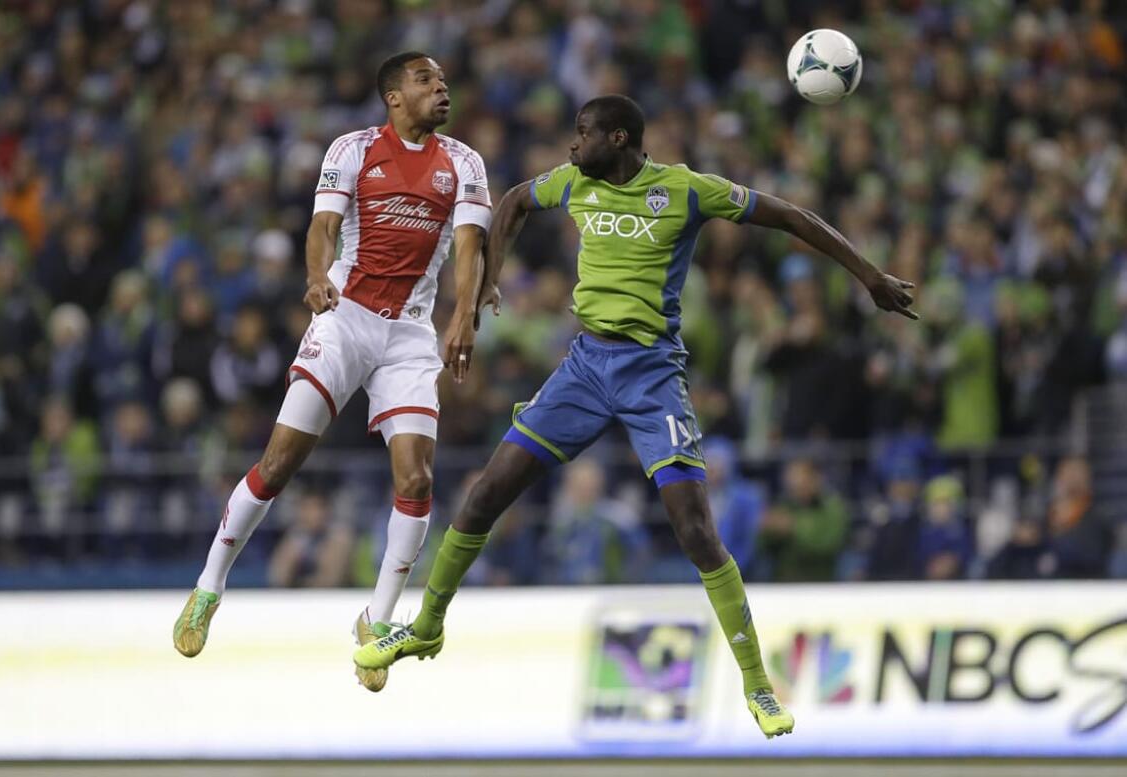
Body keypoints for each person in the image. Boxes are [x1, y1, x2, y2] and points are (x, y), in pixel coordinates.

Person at [353, 95, 916, 737]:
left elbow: (790, 216)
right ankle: (426, 628)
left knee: (695, 529)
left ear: (618, 138)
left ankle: (759, 686)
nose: (571, 146)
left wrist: (869, 277)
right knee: (484, 495)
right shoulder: (573, 184)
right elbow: (510, 203)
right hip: (585, 367)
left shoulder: (685, 190)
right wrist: (487, 278)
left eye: (583, 134)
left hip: (651, 374)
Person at [173, 52, 495, 696]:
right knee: (280, 462)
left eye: (443, 80)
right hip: (345, 315)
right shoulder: (350, 149)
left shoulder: (463, 162)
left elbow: (468, 246)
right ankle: (210, 585)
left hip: (409, 331)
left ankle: (377, 621)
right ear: (393, 97)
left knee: (418, 476)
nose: (441, 87)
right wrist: (317, 278)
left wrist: (462, 315)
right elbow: (322, 227)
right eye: (426, 80)